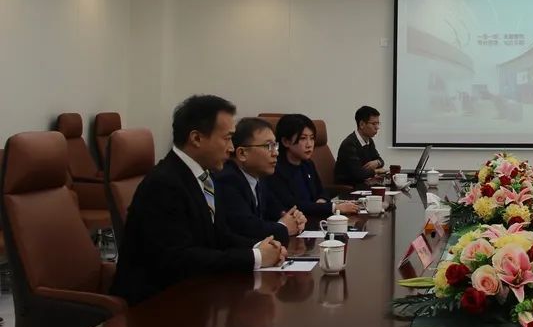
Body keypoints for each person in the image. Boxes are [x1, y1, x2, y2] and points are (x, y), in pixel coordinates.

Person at [111, 95, 286, 305]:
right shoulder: (164, 184)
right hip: (156, 305)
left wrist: (262, 247)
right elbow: (179, 258)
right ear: (196, 138)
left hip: (194, 293)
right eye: (227, 138)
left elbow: (219, 236)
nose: (231, 147)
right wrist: (255, 257)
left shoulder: (203, 176)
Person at [216, 117, 307, 245]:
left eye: (275, 146)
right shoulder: (227, 180)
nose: (275, 153)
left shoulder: (260, 177)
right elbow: (246, 228)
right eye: (268, 146)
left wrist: (294, 218)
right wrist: (284, 227)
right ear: (242, 153)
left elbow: (277, 211)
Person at [265, 113, 358, 219]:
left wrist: (322, 200)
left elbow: (322, 191)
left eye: (312, 138)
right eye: (303, 138)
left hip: (315, 218)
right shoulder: (275, 169)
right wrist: (333, 207)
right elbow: (293, 205)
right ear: (286, 141)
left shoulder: (307, 164)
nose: (309, 144)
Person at [334, 105, 385, 188]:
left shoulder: (369, 140)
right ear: (361, 124)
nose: (377, 127)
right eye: (373, 124)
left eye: (378, 123)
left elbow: (380, 161)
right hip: (349, 188)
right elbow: (358, 174)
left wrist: (377, 162)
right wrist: (377, 171)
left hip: (363, 184)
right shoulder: (349, 144)